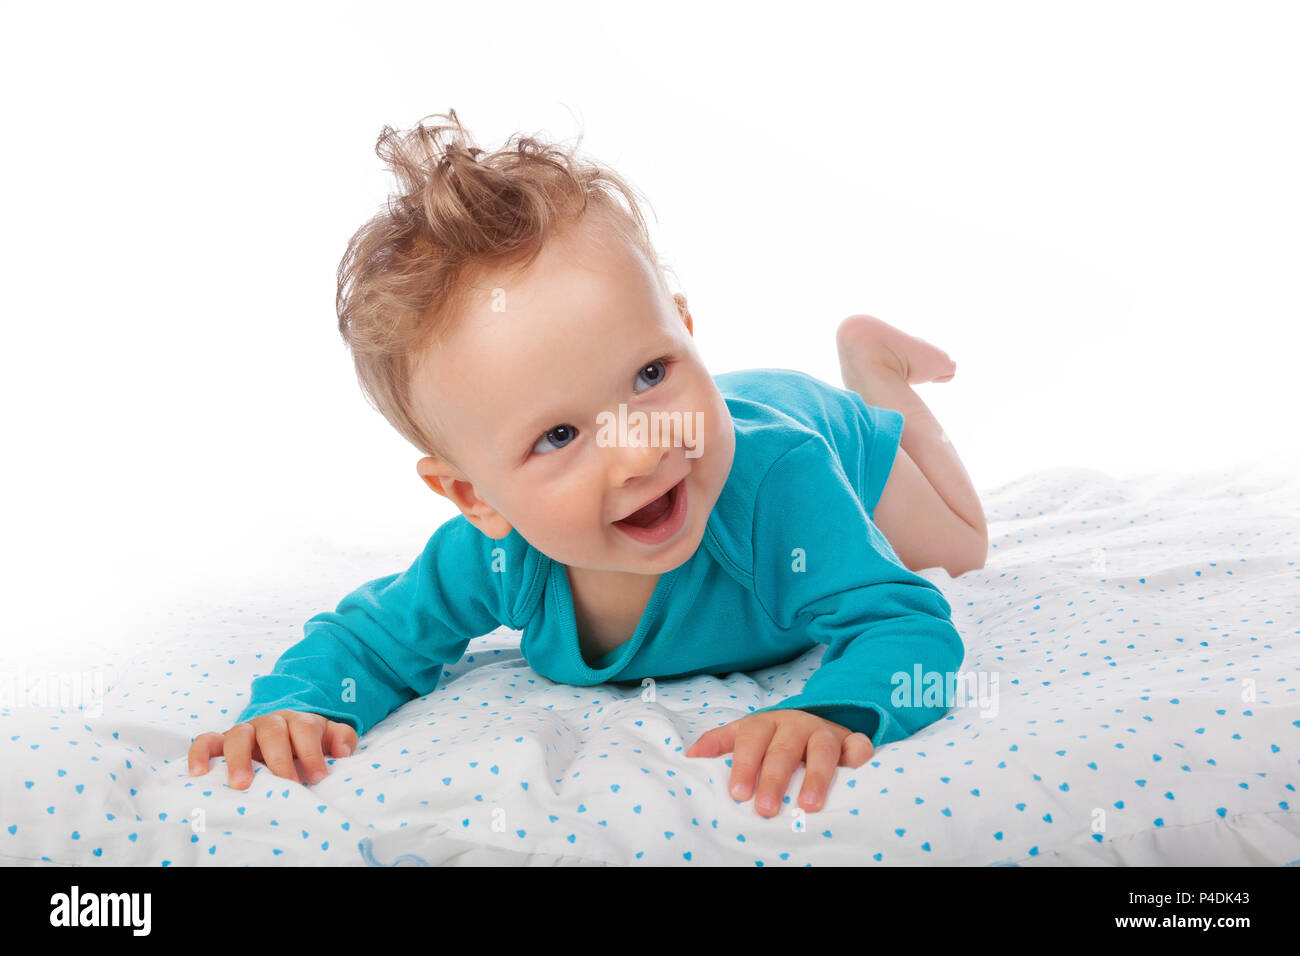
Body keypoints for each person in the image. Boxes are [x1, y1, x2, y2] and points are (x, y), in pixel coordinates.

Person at [188, 110, 988, 819]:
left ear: (684, 329)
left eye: (652, 373)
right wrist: (296, 705)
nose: (643, 450)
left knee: (960, 550)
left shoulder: (785, 484)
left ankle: (876, 375)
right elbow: (371, 641)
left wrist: (836, 710)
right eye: (560, 436)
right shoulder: (501, 555)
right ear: (474, 496)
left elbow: (906, 624)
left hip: (819, 424)